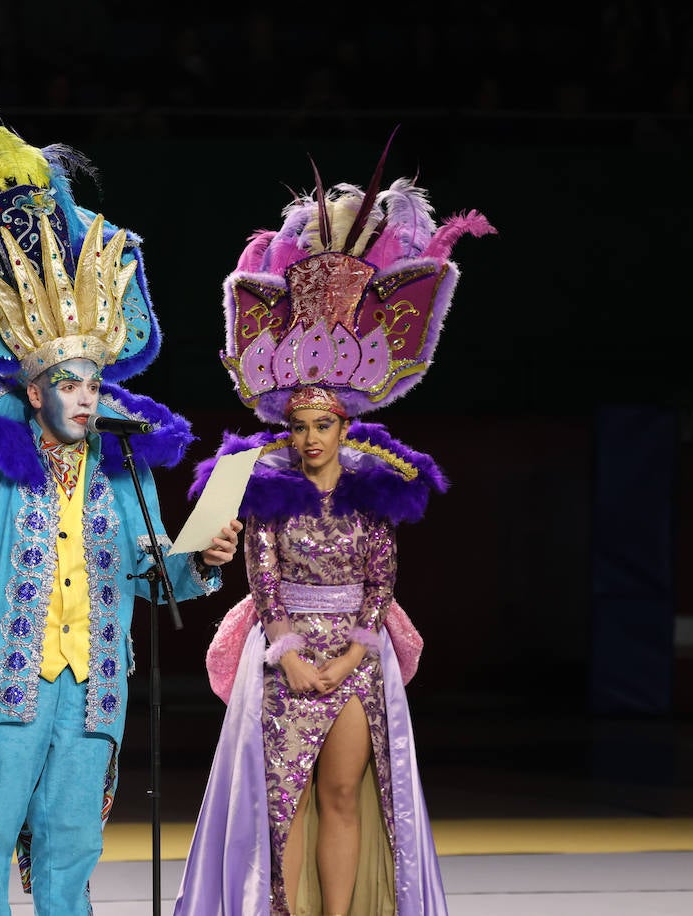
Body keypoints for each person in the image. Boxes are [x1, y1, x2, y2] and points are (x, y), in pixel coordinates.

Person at [0, 60, 241, 915]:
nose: (84, 397)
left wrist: (202, 558)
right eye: (69, 384)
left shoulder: (121, 468)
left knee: (73, 851)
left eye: (92, 384)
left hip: (94, 685)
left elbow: (154, 573)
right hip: (7, 683)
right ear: (35, 390)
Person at [174, 148, 496, 915]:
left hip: (356, 649)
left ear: (345, 422)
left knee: (348, 792)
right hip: (288, 653)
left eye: (325, 423)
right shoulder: (255, 480)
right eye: (300, 424)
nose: (311, 437)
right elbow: (245, 567)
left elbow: (382, 582)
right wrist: (284, 650)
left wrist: (355, 650)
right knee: (277, 802)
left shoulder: (375, 486)